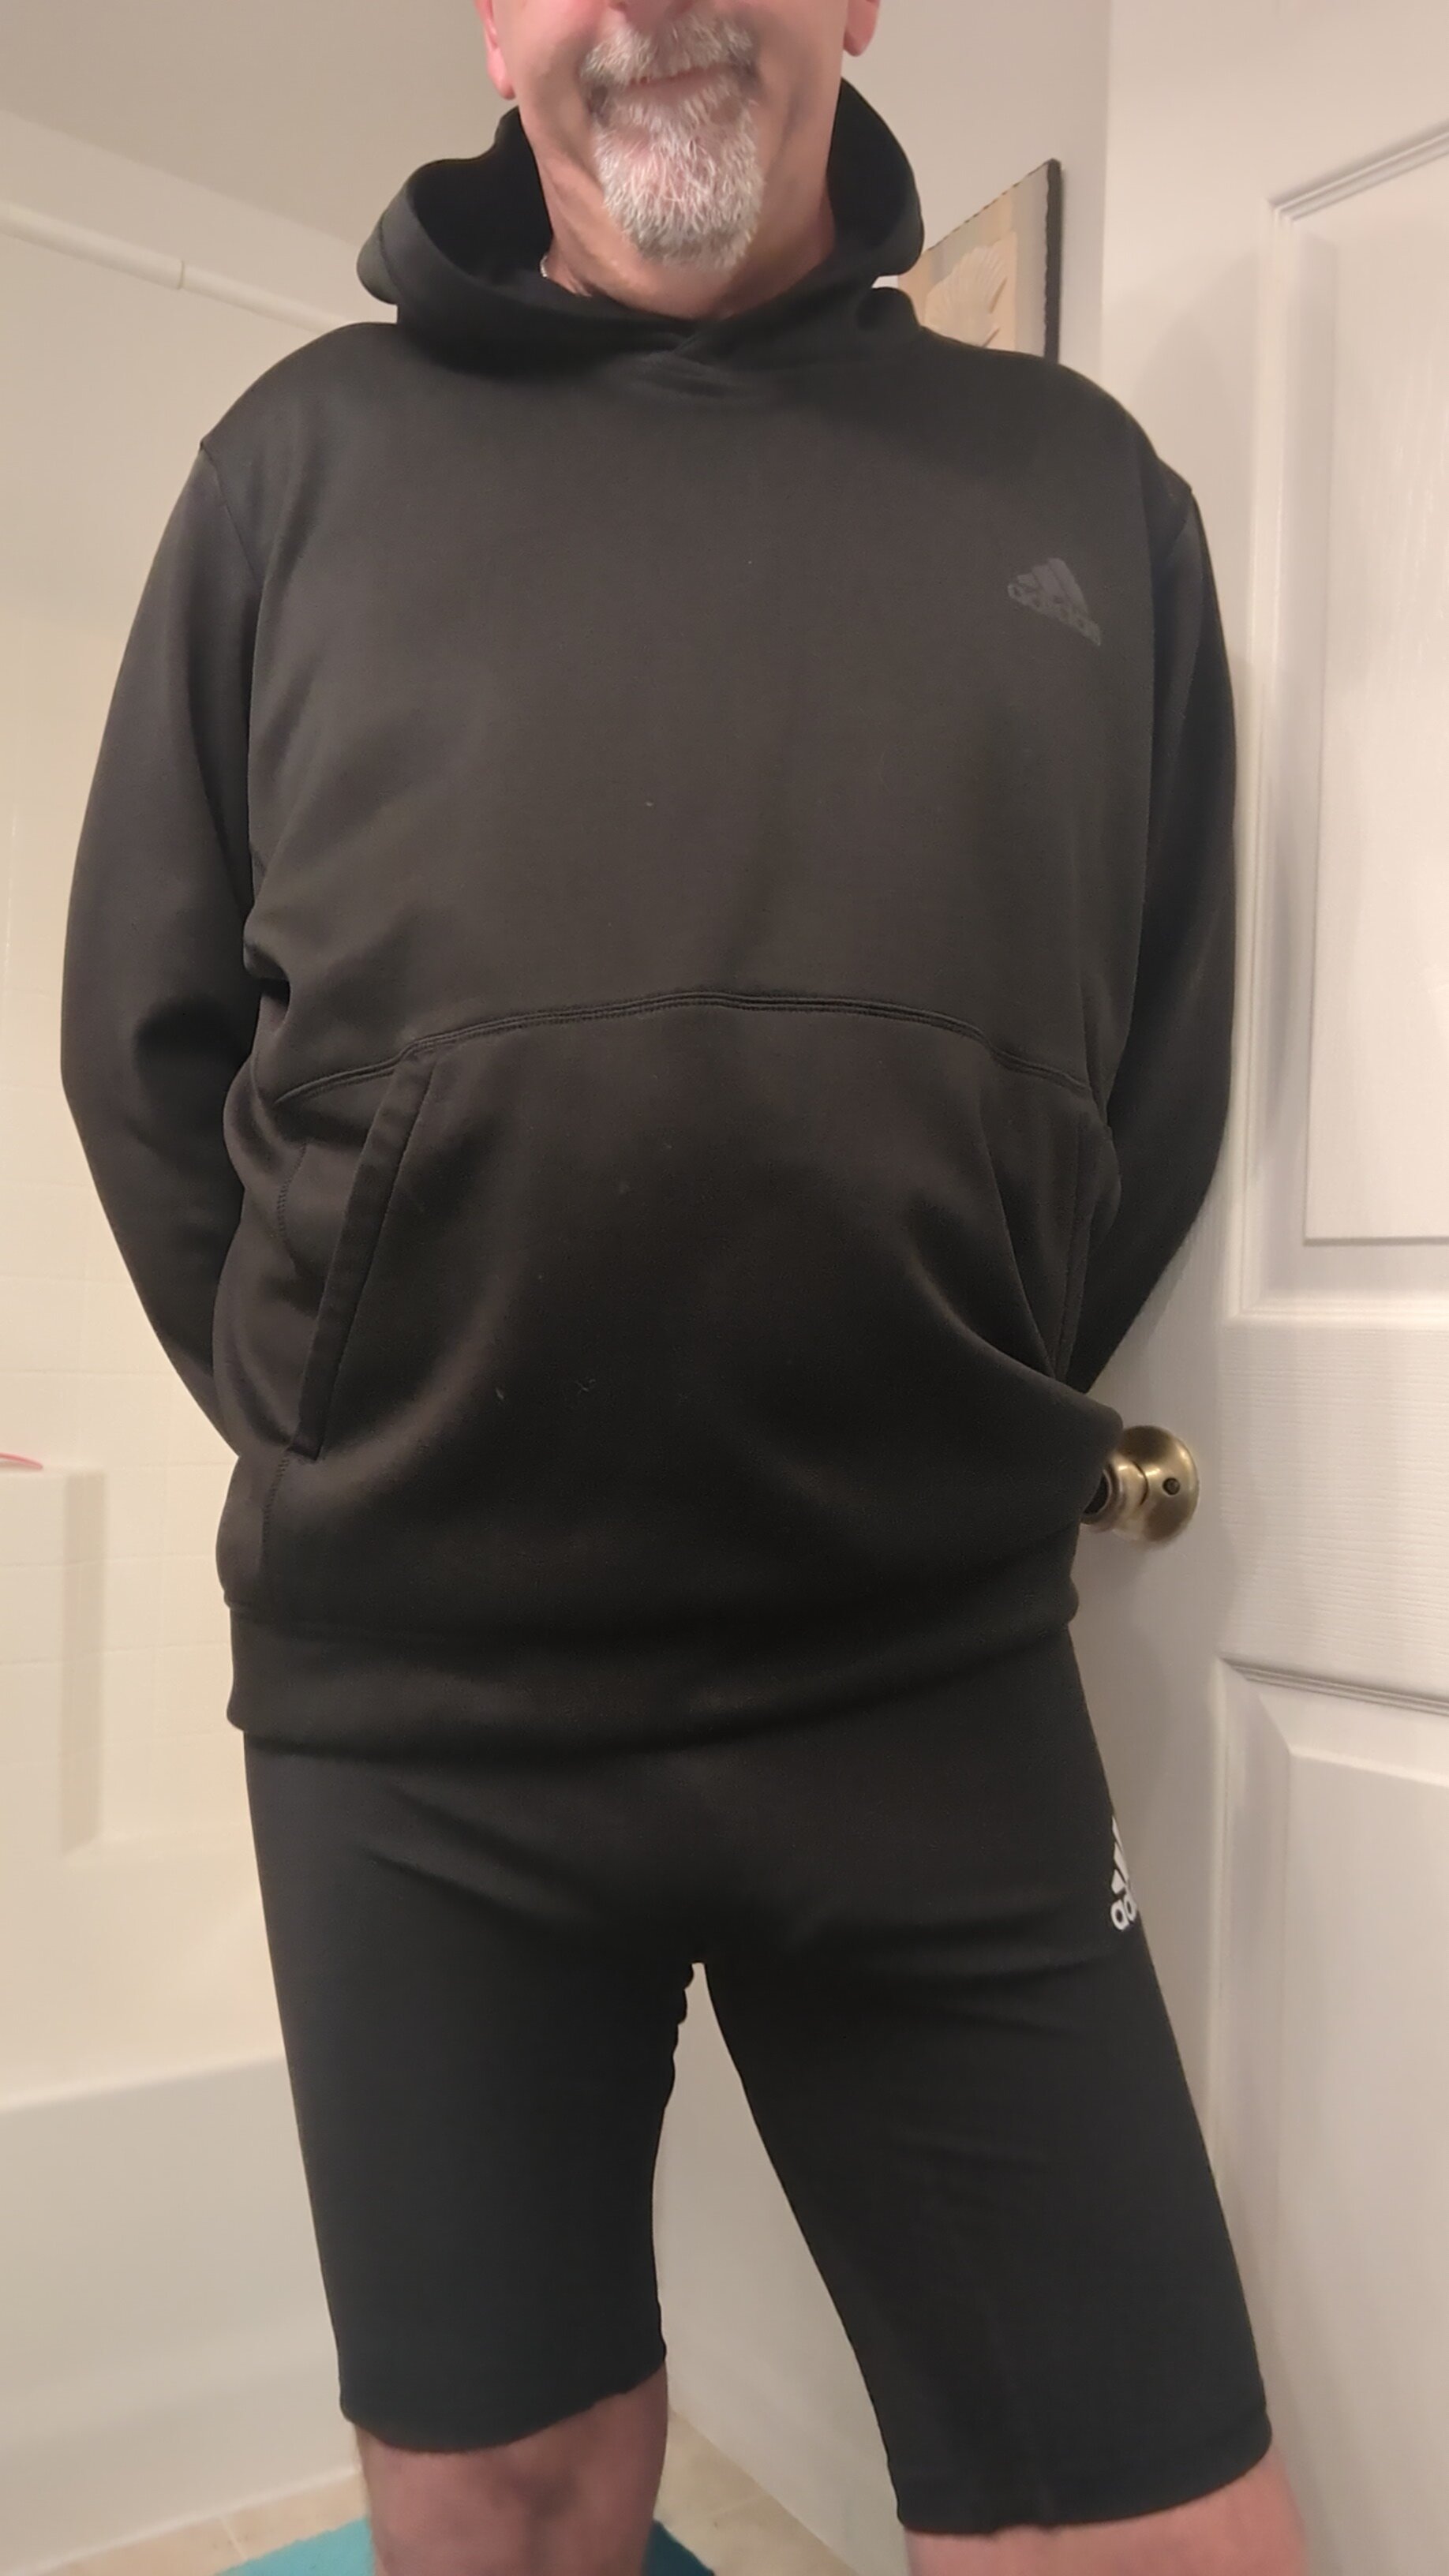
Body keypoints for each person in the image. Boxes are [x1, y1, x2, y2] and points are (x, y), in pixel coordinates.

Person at [58, 2, 1311, 2570]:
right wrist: (366, 1412)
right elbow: (148, 1055)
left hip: (922, 1677)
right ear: (488, 24)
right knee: (509, 2496)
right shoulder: (295, 468)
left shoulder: (1081, 492)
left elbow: (1143, 1079)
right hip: (425, 1722)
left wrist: (934, 1368)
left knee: (1156, 2521)